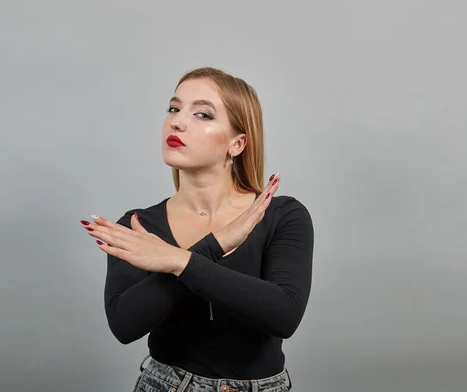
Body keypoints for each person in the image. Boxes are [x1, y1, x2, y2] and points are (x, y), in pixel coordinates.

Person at [79, 67, 314, 392]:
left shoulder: (282, 215)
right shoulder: (139, 226)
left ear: (237, 143)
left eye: (202, 114)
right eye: (174, 109)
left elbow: (284, 314)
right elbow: (124, 324)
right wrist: (212, 246)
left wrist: (178, 261)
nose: (177, 121)